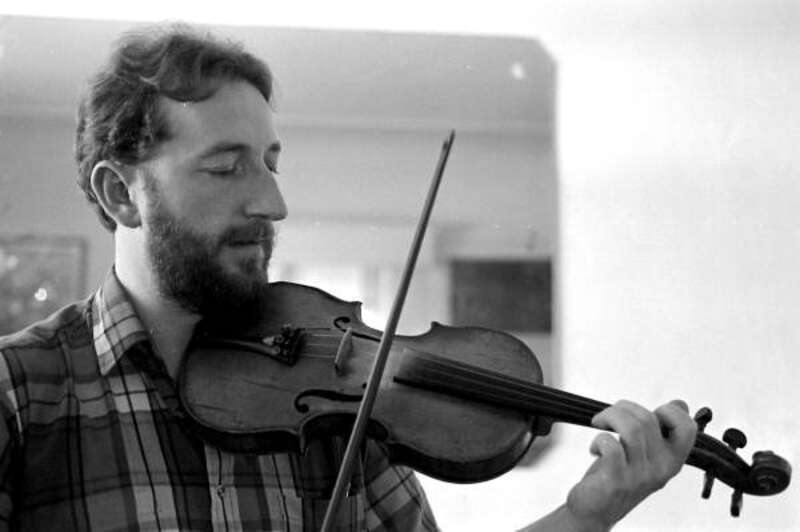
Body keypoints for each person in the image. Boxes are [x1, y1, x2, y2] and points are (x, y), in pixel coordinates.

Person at [0, 24, 697, 531]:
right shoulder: (20, 397)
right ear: (122, 195)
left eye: (270, 161)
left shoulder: (334, 409)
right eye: (225, 166)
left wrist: (591, 509)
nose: (273, 203)